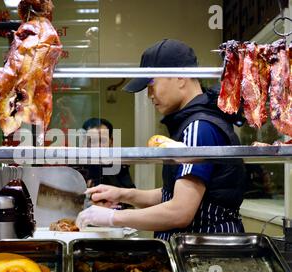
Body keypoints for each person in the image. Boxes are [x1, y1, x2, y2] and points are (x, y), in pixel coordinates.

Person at [76, 39, 246, 240]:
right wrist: (122, 194)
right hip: (196, 251)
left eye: (151, 83)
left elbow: (180, 212)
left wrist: (113, 217)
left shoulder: (198, 127)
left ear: (181, 76)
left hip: (203, 254)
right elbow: (172, 193)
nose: (149, 94)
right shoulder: (195, 122)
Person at [78, 118, 135, 191]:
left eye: (103, 140)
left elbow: (128, 198)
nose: (97, 145)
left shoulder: (118, 166)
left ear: (111, 142)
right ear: (83, 142)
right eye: (92, 140)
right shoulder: (76, 167)